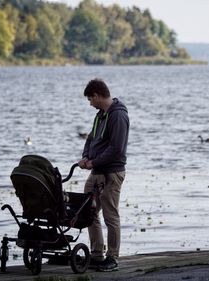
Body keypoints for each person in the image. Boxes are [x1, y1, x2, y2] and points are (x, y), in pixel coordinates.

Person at [78, 79, 129, 272]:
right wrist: (85, 157)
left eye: (90, 99)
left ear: (98, 96)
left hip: (112, 173)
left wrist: (93, 162)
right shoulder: (100, 115)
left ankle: (112, 258)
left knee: (110, 216)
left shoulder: (118, 116)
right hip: (95, 173)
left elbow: (116, 149)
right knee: (88, 212)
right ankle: (97, 254)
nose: (90, 103)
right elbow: (91, 138)